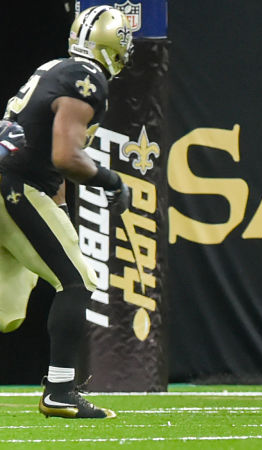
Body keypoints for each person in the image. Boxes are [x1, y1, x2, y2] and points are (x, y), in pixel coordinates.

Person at [1, 5, 132, 418]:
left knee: (5, 311)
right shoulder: (87, 78)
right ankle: (60, 389)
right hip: (15, 186)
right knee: (76, 282)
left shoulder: (54, 67)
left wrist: (61, 215)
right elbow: (64, 155)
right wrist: (113, 181)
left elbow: (45, 149)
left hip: (14, 183)